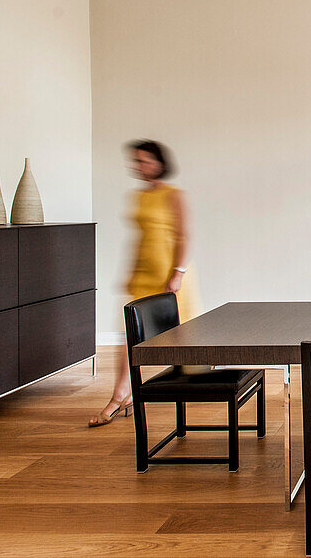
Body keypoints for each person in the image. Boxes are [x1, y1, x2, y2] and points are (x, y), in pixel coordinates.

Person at [89, 140, 202, 427]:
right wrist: (130, 271)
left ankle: (197, 391)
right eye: (136, 161)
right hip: (143, 274)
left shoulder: (174, 195)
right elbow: (140, 238)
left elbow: (183, 236)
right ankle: (120, 397)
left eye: (145, 160)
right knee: (129, 336)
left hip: (169, 275)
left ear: (160, 163)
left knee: (183, 336)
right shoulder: (137, 196)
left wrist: (177, 273)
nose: (139, 166)